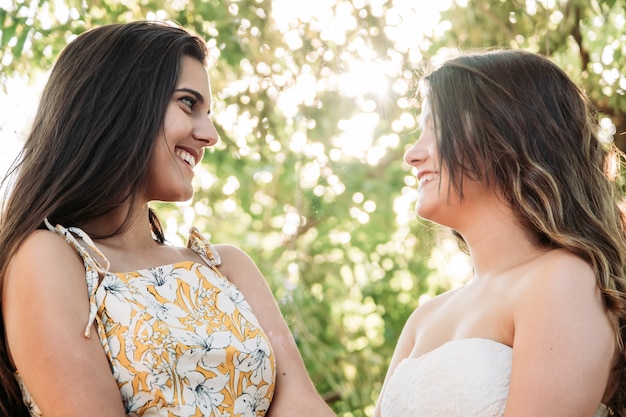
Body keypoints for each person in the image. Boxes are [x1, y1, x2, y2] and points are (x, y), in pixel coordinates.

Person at [0, 21, 336, 417]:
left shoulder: (226, 268)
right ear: (120, 103)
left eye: (208, 112)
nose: (210, 134)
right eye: (189, 103)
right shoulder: (49, 258)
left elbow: (301, 404)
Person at [374, 49, 626, 417]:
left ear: (507, 134)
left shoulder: (563, 279)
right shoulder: (423, 319)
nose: (412, 154)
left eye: (435, 128)